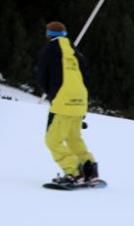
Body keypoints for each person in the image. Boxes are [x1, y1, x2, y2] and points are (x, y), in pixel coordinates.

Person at [36, 21, 99, 185]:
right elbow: (86, 76)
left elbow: (42, 76)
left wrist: (52, 95)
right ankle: (89, 170)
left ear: (48, 34)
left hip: (63, 101)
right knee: (73, 138)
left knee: (52, 140)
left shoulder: (49, 49)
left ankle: (73, 172)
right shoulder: (75, 51)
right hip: (80, 100)